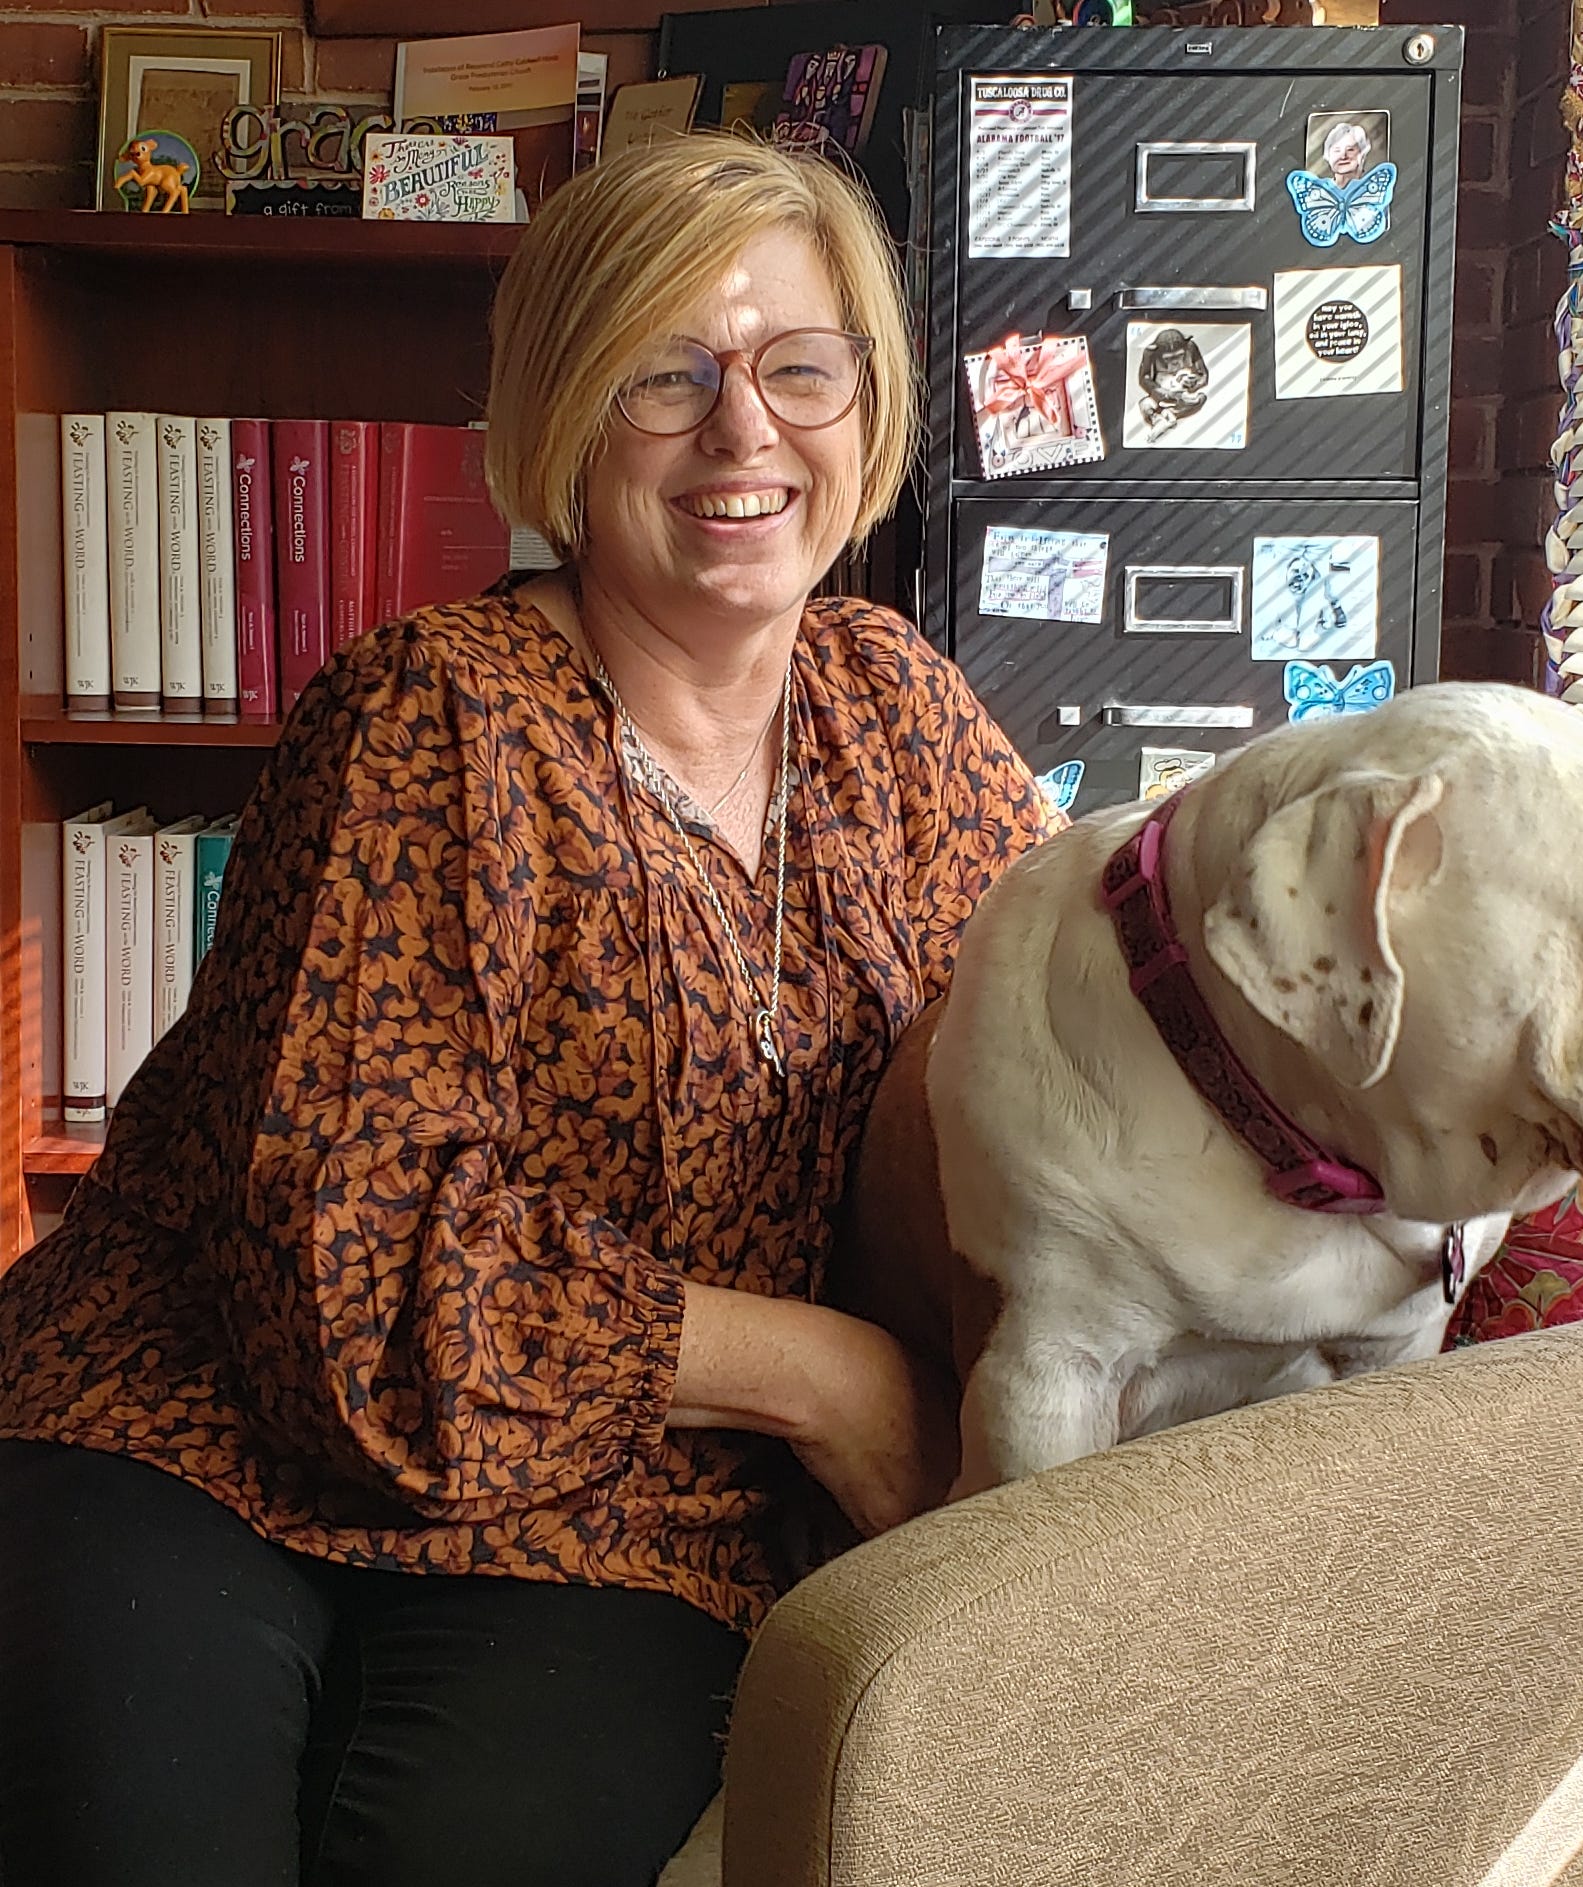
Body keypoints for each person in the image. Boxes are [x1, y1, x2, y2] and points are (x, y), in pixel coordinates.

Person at [0, 131, 1059, 1887]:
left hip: (634, 1513)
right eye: (669, 374)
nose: (745, 432)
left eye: (801, 367)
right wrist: (817, 1370)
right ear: (566, 415)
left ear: (865, 408)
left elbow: (1071, 1057)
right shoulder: (433, 715)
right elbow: (353, 1290)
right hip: (199, 1423)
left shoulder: (907, 721)